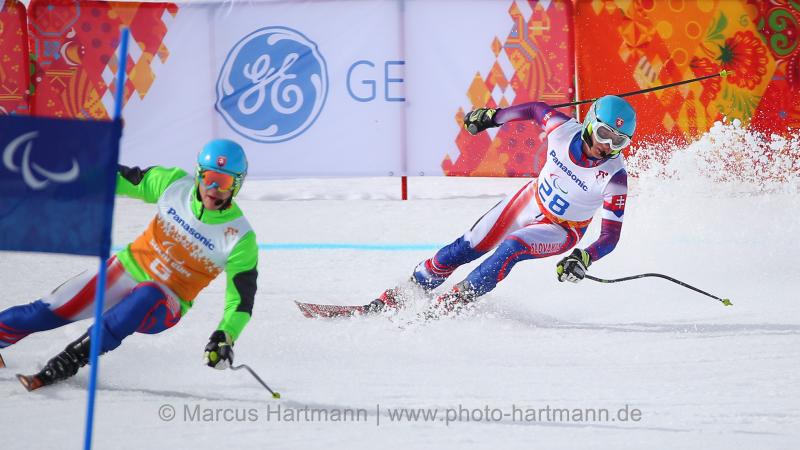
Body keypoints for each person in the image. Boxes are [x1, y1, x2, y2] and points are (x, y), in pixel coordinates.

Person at [0, 139, 259, 390]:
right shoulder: (173, 184)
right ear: (198, 173)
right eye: (208, 177)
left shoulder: (240, 237)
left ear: (237, 185)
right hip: (124, 271)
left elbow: (240, 301)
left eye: (224, 182)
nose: (213, 187)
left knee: (149, 292)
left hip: (165, 303)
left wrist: (225, 335)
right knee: (43, 311)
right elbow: (120, 177)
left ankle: (70, 361)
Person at [368, 95, 634, 318]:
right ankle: (410, 290)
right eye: (603, 134)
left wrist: (583, 257)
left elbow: (610, 237)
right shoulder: (563, 130)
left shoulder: (615, 177)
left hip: (562, 229)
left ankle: (451, 304)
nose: (606, 146)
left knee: (512, 247)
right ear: (590, 123)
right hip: (529, 200)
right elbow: (535, 109)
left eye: (618, 142)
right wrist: (492, 117)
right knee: (469, 245)